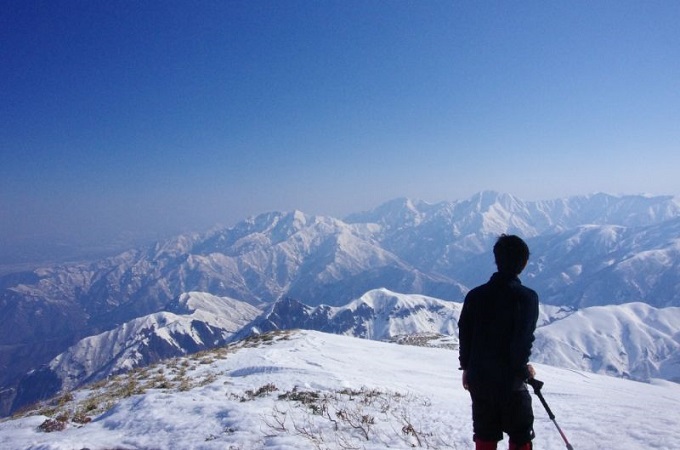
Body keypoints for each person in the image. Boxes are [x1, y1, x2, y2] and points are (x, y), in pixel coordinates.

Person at [458, 234, 540, 450]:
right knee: (520, 435)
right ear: (524, 263)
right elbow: (522, 341)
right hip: (511, 383)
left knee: (485, 434)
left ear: (497, 259)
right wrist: (523, 370)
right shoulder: (527, 298)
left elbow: (465, 333)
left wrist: (466, 367)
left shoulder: (475, 296)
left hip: (480, 379)